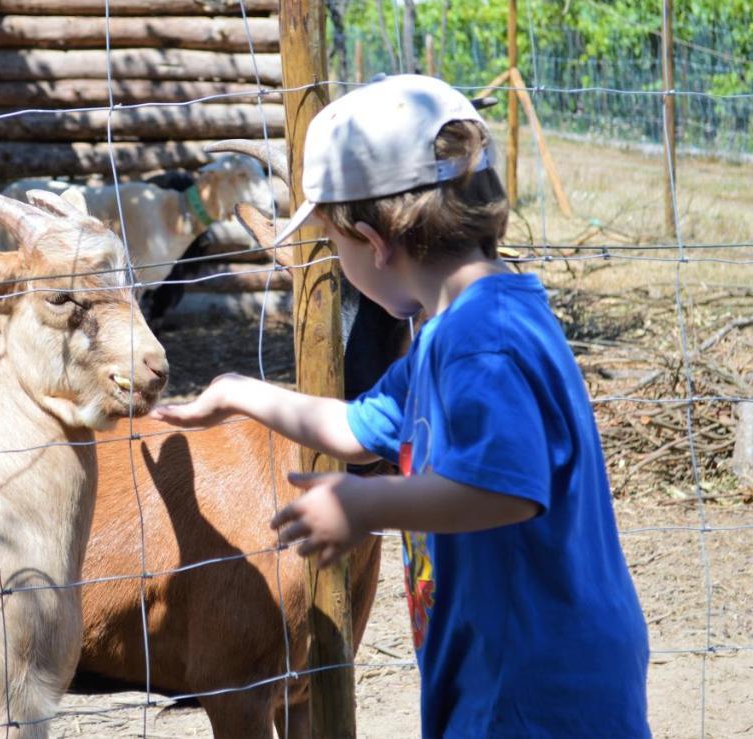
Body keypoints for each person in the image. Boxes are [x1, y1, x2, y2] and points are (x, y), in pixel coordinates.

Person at [152, 75, 650, 737]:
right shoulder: (454, 332)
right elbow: (355, 425)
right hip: (496, 669)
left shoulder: (482, 341)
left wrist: (368, 505)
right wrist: (238, 393)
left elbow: (507, 489)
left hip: (538, 689)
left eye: (334, 245)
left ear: (374, 240)